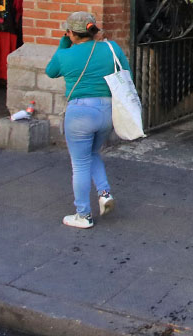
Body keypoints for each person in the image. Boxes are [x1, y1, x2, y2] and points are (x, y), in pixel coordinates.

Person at [44, 12, 132, 229]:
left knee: (80, 163)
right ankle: (104, 193)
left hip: (80, 113)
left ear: (71, 33)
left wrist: (64, 42)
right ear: (92, 30)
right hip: (107, 111)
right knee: (93, 153)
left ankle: (83, 214)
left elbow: (50, 71)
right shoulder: (111, 48)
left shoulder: (65, 55)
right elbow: (126, 71)